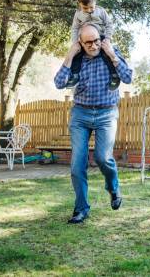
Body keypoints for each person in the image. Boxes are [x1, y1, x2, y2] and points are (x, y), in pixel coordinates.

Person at [54, 23, 133, 224]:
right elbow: (59, 82)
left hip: (107, 113)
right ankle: (81, 209)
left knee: (103, 157)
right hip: (81, 114)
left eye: (96, 40)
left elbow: (128, 77)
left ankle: (113, 188)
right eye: (88, 42)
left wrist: (113, 55)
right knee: (77, 164)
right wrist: (70, 55)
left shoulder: (109, 53)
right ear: (80, 42)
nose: (94, 45)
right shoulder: (77, 58)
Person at [68, 0, 120, 90]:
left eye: (91, 7)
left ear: (95, 2)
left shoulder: (101, 11)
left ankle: (114, 76)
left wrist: (108, 39)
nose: (89, 10)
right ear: (79, 4)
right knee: (76, 54)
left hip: (100, 38)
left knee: (107, 54)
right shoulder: (78, 14)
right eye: (85, 8)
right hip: (85, 39)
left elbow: (109, 24)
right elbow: (75, 28)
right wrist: (75, 42)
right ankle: (75, 75)